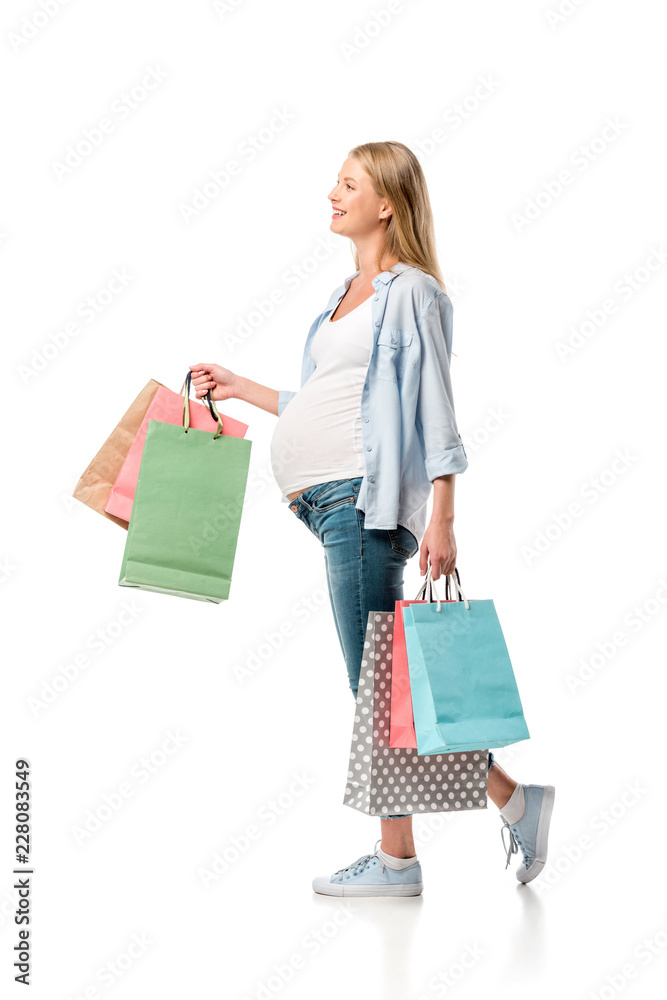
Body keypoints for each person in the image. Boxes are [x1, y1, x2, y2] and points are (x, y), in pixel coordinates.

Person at [190, 140, 555, 896]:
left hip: (361, 505)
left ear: (385, 202)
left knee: (379, 689)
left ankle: (418, 852)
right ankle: (488, 816)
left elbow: (434, 411)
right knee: (387, 689)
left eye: (347, 184)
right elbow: (331, 399)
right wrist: (243, 386)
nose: (331, 193)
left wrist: (445, 519)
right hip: (325, 506)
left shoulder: (411, 290)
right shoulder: (341, 294)